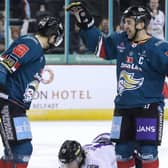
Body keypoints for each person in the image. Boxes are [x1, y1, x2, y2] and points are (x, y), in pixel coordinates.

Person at [66, 2, 168, 168]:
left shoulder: (158, 48)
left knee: (148, 153)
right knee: (121, 151)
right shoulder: (120, 41)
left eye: (129, 22)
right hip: (123, 108)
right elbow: (100, 47)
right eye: (124, 21)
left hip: (148, 109)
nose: (124, 26)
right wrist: (86, 23)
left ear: (141, 24)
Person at [0, 16, 63, 168]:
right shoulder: (30, 44)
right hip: (9, 101)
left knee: (16, 151)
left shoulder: (38, 53)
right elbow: (3, 65)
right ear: (52, 35)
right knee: (22, 149)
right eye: (57, 37)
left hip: (16, 105)